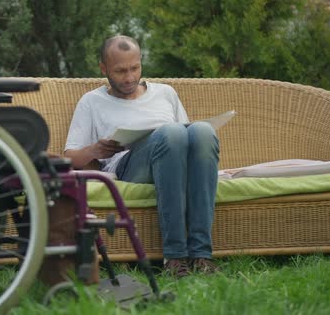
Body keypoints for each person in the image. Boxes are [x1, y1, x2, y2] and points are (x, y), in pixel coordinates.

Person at [64, 35, 220, 278]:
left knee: (202, 130)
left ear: (141, 62)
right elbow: (69, 158)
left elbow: (187, 136)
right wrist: (95, 150)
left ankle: (202, 256)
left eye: (134, 68)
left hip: (173, 158)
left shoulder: (166, 93)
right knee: (170, 133)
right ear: (103, 68)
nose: (129, 78)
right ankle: (175, 257)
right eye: (120, 71)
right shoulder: (91, 102)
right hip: (130, 169)